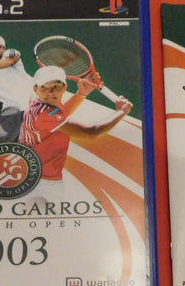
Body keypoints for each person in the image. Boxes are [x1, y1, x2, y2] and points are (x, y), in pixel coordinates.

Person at [19, 65, 132, 201]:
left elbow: (61, 115)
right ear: (35, 88)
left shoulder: (40, 103)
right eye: (44, 87)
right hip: (40, 183)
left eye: (56, 86)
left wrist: (81, 94)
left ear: (65, 88)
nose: (50, 92)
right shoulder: (44, 114)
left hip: (39, 178)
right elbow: (92, 132)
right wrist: (121, 111)